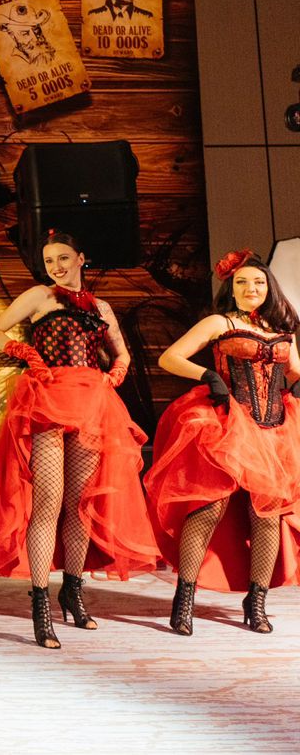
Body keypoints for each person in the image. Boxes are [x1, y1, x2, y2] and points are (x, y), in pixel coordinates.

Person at [0, 231, 157, 649]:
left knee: (80, 504)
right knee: (48, 501)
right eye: (48, 260)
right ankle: (40, 603)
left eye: (62, 258)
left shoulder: (101, 307)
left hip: (92, 404)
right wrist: (26, 354)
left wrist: (117, 373)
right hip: (48, 399)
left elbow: (121, 353)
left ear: (80, 258)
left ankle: (72, 592)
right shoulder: (40, 296)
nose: (56, 266)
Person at [147, 249, 300, 635]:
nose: (251, 288)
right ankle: (184, 599)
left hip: (274, 431)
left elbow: (294, 370)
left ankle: (256, 602)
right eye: (242, 282)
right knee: (207, 510)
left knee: (266, 516)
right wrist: (207, 376)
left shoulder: (281, 327)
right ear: (231, 288)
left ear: (270, 287)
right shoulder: (220, 322)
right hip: (227, 425)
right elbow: (170, 357)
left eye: (259, 282)